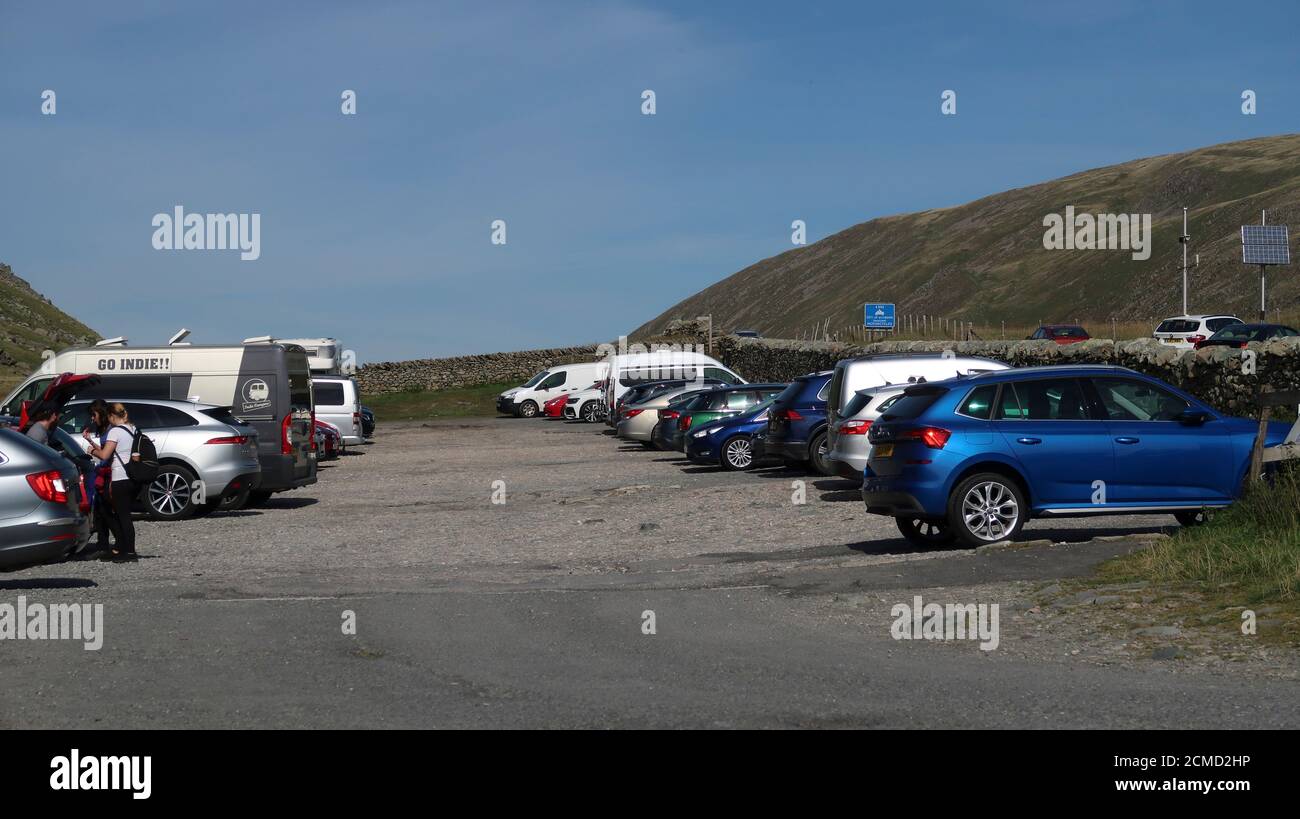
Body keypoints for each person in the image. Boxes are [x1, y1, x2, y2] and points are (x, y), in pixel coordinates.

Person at [83, 403, 138, 559]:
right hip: (131, 477)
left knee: (120, 516)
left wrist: (91, 450)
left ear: (111, 416)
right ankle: (126, 550)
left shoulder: (115, 431)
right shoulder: (132, 428)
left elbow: (105, 455)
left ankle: (127, 551)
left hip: (119, 477)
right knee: (125, 515)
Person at [83, 400, 114, 553]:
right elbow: (104, 451)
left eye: (94, 415)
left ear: (101, 413)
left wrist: (91, 451)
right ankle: (103, 543)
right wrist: (90, 441)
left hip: (110, 474)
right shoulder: (106, 430)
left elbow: (104, 456)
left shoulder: (111, 430)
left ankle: (112, 545)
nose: (93, 419)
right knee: (102, 511)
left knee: (106, 511)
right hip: (105, 473)